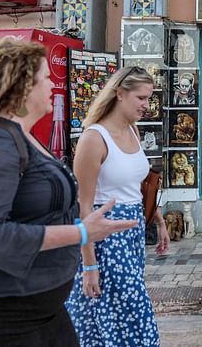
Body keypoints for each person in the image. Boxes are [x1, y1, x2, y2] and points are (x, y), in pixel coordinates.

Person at [0, 39, 136, 347]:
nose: (53, 85)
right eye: (45, 79)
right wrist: (80, 233)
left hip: (36, 308)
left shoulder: (17, 136)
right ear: (21, 87)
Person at [65, 66, 170, 346]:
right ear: (120, 94)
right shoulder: (94, 138)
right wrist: (89, 265)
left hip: (132, 236)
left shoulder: (132, 130)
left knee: (121, 315)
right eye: (141, 98)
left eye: (148, 98)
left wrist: (158, 221)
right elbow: (83, 208)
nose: (147, 105)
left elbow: (135, 186)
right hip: (105, 240)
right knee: (130, 315)